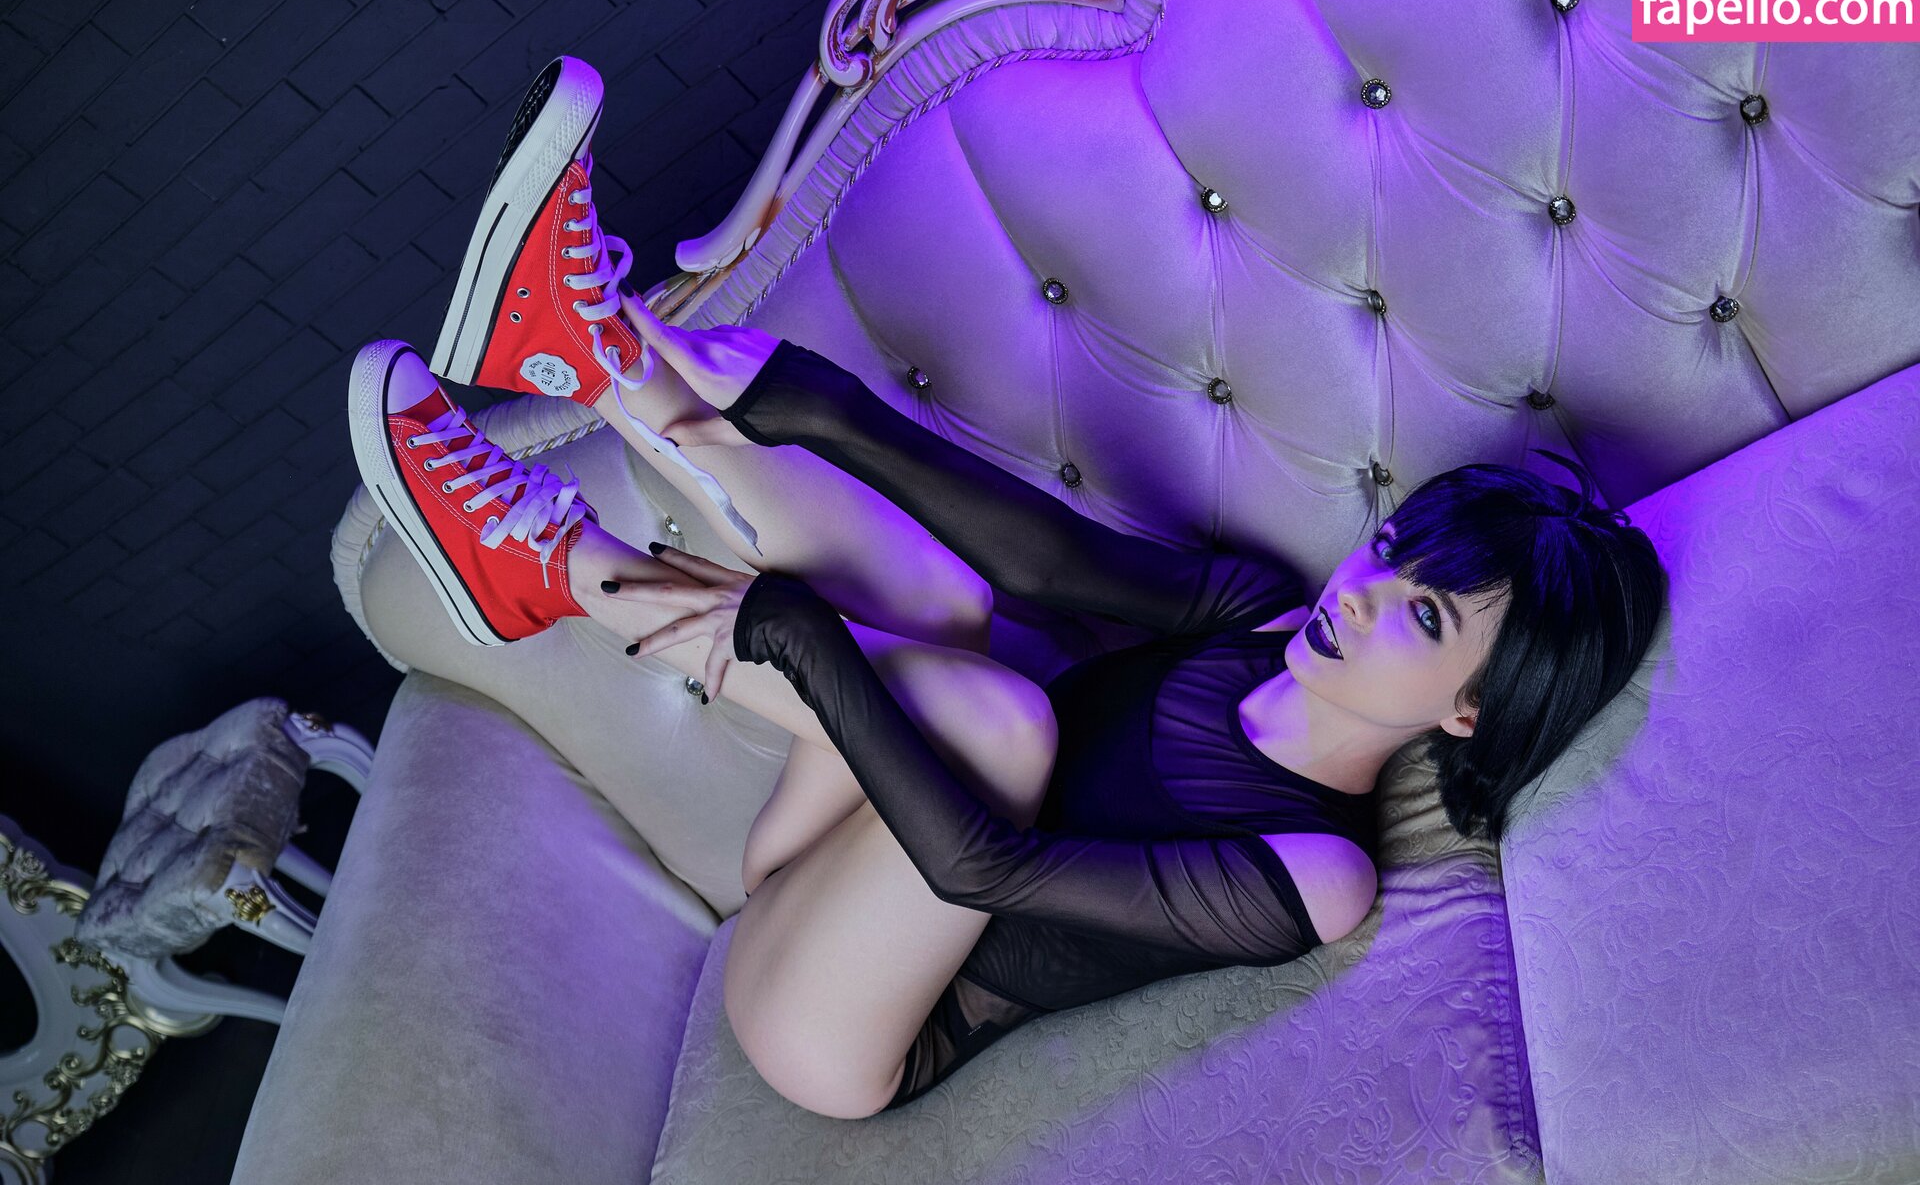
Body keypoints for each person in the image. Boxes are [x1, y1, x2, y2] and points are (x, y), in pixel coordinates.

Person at [347, 57, 1667, 1119]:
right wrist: (824, 407)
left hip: (844, 1020)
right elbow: (1041, 558)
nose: (1364, 595)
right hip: (835, 841)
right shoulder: (1267, 613)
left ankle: (555, 570)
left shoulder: (1322, 876)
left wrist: (799, 638)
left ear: (1469, 714)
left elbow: (985, 868)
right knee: (957, 607)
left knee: (1005, 721)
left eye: (1424, 617)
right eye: (1392, 554)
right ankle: (589, 351)